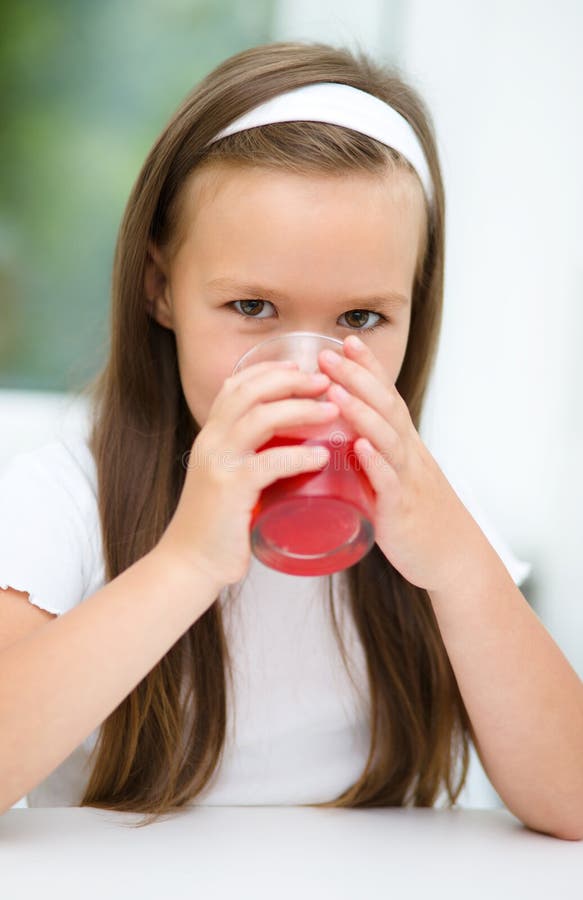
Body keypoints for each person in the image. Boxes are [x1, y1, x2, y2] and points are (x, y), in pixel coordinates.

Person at [0, 41, 581, 840]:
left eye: (360, 319)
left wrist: (457, 566)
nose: (309, 369)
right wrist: (186, 562)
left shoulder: (432, 513)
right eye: (251, 307)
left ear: (416, 312)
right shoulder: (64, 498)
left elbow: (572, 800)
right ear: (159, 286)